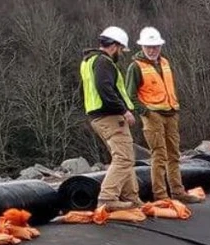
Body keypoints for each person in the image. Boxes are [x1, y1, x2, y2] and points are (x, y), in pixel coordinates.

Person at [127, 27, 203, 204]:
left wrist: (174, 108)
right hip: (153, 115)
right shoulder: (136, 67)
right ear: (142, 47)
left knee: (174, 154)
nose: (152, 50)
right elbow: (130, 95)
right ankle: (160, 195)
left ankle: (177, 191)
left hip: (170, 113)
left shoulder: (165, 63)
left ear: (160, 46)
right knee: (159, 155)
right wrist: (145, 112)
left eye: (155, 46)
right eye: (149, 47)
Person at [80, 26, 139, 211]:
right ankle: (108, 197)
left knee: (124, 157)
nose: (120, 53)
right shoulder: (103, 62)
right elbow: (105, 88)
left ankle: (131, 198)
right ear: (114, 46)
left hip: (98, 116)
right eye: (121, 49)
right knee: (124, 158)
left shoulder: (88, 61)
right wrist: (124, 110)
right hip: (110, 116)